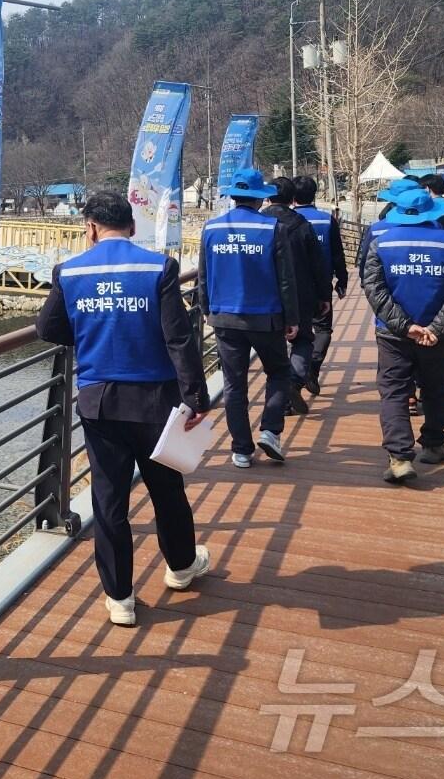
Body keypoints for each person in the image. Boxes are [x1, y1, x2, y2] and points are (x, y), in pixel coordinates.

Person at [36, 191, 213, 627]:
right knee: (167, 490)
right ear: (132, 226)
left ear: (91, 227)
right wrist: (195, 396)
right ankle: (181, 567)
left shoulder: (70, 271)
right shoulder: (158, 267)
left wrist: (93, 331)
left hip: (99, 403)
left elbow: (48, 328)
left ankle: (120, 598)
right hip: (156, 401)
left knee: (109, 499)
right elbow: (178, 337)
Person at [361, 186, 444, 483]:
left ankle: (399, 457)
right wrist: (437, 328)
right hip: (436, 336)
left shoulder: (382, 244)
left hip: (393, 334)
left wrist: (403, 325)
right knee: (436, 388)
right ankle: (434, 444)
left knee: (394, 391)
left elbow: (374, 289)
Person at [197, 169, 298, 468]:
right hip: (265, 317)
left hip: (224, 317)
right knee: (279, 372)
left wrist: (206, 309)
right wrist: (291, 317)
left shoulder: (211, 228)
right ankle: (270, 430)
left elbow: (203, 274)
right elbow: (285, 280)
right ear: (259, 199)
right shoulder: (273, 228)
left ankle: (241, 449)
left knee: (234, 384)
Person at [263, 177, 328, 415]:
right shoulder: (302, 224)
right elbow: (317, 264)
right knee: (302, 339)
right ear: (293, 199)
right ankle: (294, 379)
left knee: (274, 344)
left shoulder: (261, 223)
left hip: (267, 294)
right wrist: (324, 295)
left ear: (268, 196)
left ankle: (280, 398)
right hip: (301, 292)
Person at [291, 175, 348, 397]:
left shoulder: (287, 220)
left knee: (297, 334)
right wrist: (341, 281)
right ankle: (312, 367)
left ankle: (296, 374)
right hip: (320, 286)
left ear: (292, 197)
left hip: (292, 287)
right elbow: (337, 254)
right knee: (323, 329)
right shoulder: (326, 220)